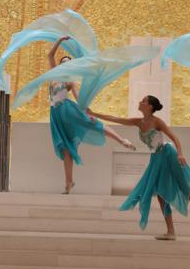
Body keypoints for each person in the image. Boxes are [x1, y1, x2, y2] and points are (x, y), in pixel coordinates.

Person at [88, 95, 190, 240]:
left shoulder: (157, 121)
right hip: (156, 158)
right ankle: (171, 231)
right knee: (160, 194)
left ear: (150, 106)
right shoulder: (138, 122)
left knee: (184, 187)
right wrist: (94, 114)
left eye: (143, 101)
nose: (140, 102)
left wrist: (180, 154)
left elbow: (174, 137)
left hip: (168, 154)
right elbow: (116, 119)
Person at [47, 36, 136, 194]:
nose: (66, 63)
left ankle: (122, 140)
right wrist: (60, 40)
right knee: (66, 149)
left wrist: (88, 112)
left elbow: (80, 99)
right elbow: (50, 55)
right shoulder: (54, 74)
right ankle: (69, 182)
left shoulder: (70, 82)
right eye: (64, 61)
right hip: (55, 115)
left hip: (66, 110)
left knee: (92, 123)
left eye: (69, 62)